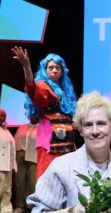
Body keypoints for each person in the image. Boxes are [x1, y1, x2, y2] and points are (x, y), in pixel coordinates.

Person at [12, 47, 77, 178]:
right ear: (45, 70)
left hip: (68, 143)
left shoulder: (66, 91)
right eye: (51, 68)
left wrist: (75, 124)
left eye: (58, 68)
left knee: (69, 178)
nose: (55, 70)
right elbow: (32, 88)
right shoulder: (43, 86)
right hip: (50, 143)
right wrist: (26, 66)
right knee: (49, 179)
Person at [13, 115, 39, 213]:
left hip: (33, 154)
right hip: (20, 154)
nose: (33, 116)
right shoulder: (22, 126)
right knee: (19, 181)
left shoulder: (41, 127)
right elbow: (15, 140)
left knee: (32, 181)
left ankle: (31, 206)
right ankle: (19, 206)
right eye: (31, 114)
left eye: (35, 114)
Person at [0, 108, 19, 213]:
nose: (0, 117)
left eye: (2, 115)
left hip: (7, 164)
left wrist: (13, 166)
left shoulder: (6, 131)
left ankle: (5, 210)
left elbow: (12, 151)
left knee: (7, 189)